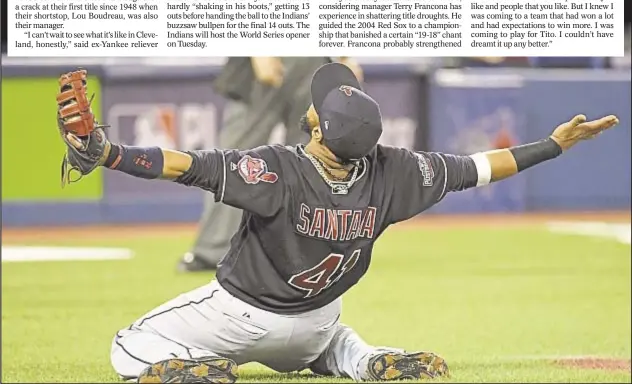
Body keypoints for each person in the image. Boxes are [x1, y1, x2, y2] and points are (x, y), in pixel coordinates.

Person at [59, 63, 619, 383]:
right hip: (314, 325)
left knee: (129, 344)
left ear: (321, 131)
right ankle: (366, 360)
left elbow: (189, 166)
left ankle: (186, 368)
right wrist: (551, 146)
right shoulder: (397, 171)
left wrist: (109, 154)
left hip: (242, 317)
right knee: (331, 341)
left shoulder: (277, 169)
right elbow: (477, 169)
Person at [180, 57, 363, 272]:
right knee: (235, 159)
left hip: (314, 60)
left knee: (312, 159)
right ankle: (212, 250)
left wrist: (343, 57)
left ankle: (308, 250)